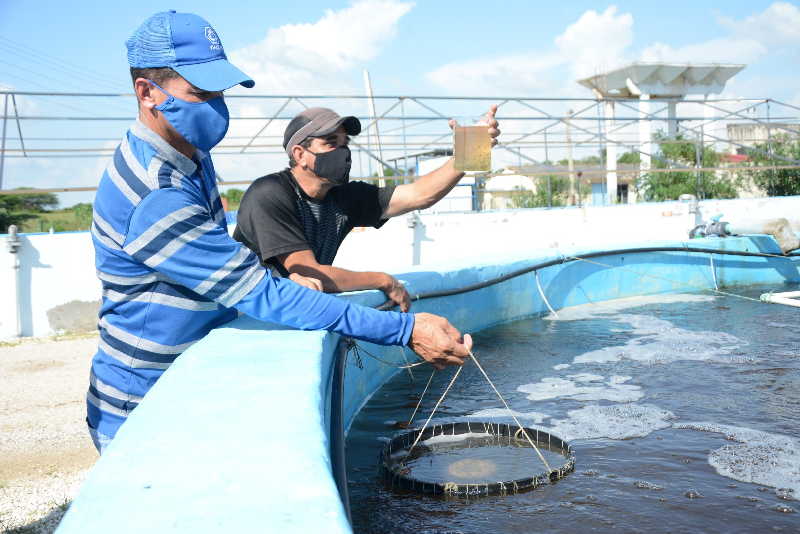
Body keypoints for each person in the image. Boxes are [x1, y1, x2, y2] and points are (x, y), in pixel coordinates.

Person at [86, 10, 472, 454]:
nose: (215, 106)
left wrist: (471, 152)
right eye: (199, 93)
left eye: (220, 92)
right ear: (146, 93)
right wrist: (404, 330)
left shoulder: (192, 158)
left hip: (195, 372)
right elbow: (265, 292)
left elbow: (416, 195)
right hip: (145, 399)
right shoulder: (158, 193)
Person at [232, 106, 500, 311]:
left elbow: (421, 195)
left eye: (345, 144)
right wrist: (382, 280)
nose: (343, 152)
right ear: (300, 154)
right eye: (330, 143)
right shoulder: (269, 193)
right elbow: (307, 271)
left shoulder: (344, 196)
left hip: (289, 308)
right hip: (242, 314)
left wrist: (472, 148)